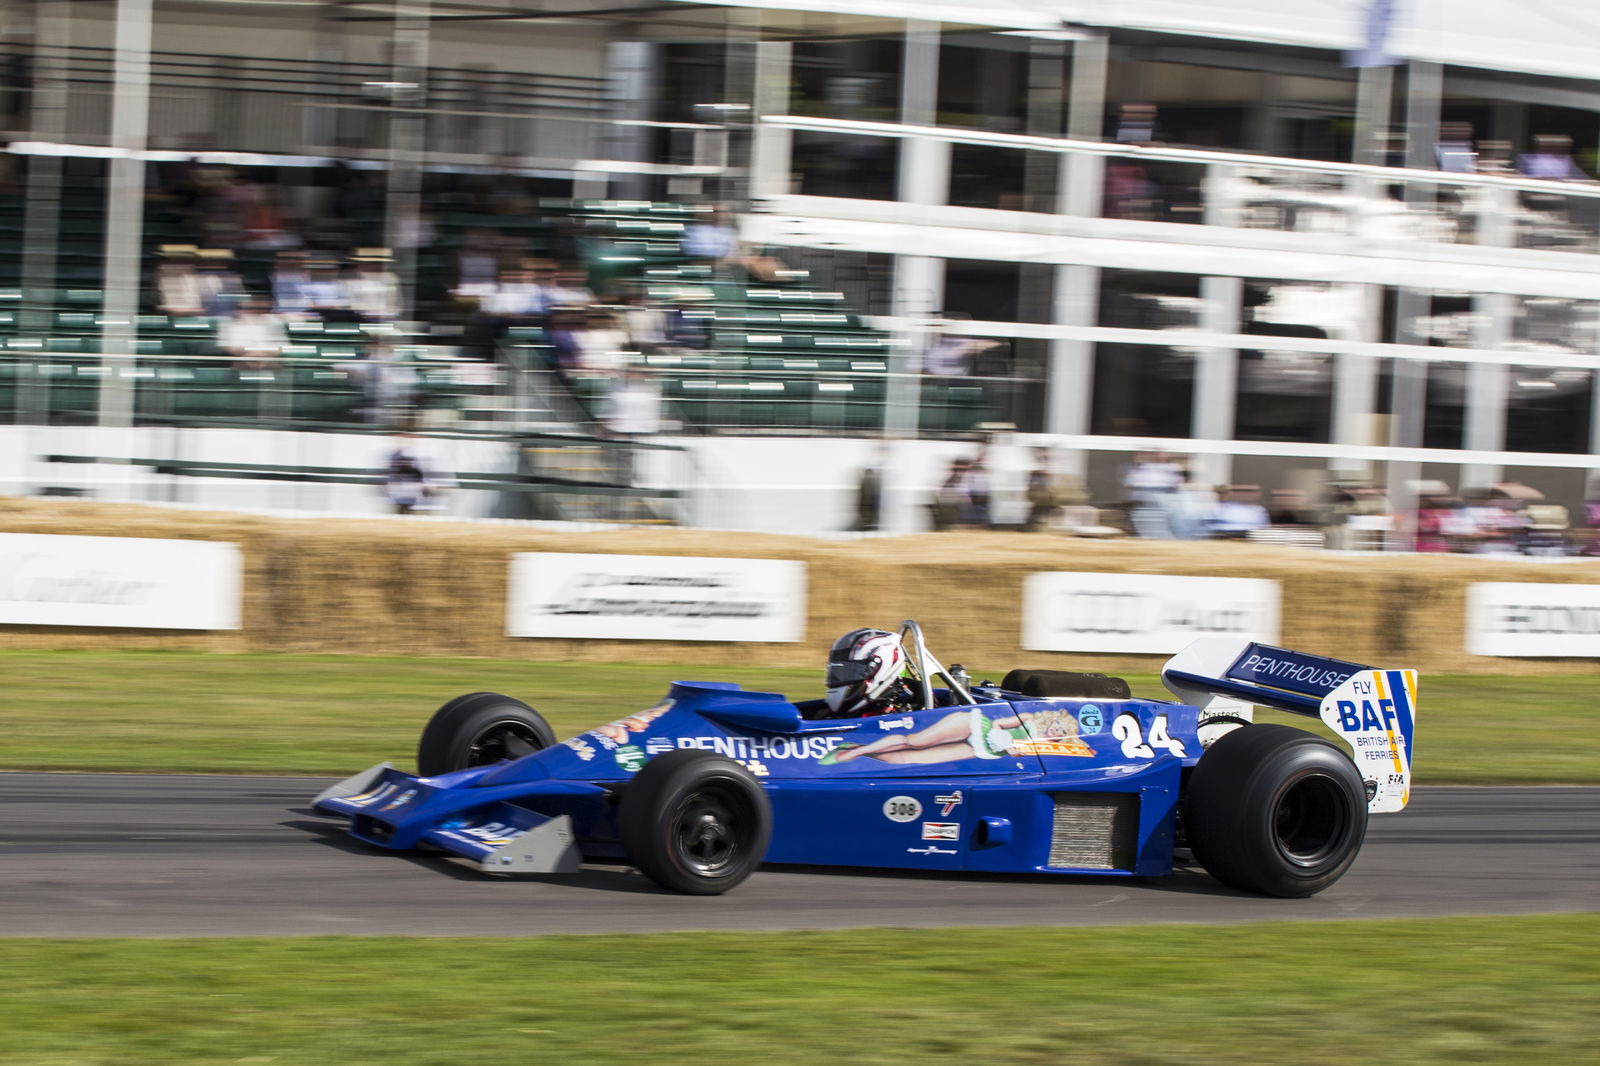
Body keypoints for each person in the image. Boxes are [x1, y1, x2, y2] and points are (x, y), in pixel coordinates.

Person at [816, 628, 917, 719]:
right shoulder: (825, 715)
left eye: (852, 671)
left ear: (879, 670)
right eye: (838, 671)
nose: (840, 677)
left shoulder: (895, 717)